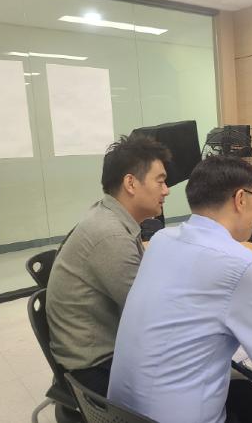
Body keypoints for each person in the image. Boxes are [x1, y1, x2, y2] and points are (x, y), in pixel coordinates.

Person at [108, 155, 252, 423]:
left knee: (246, 394)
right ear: (241, 199)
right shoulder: (242, 263)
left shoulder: (162, 239)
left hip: (119, 414)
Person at [46, 134, 171, 396]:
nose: (166, 190)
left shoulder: (108, 214)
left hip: (99, 347)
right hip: (94, 369)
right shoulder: (110, 235)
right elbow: (154, 316)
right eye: (160, 181)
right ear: (131, 183)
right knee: (229, 390)